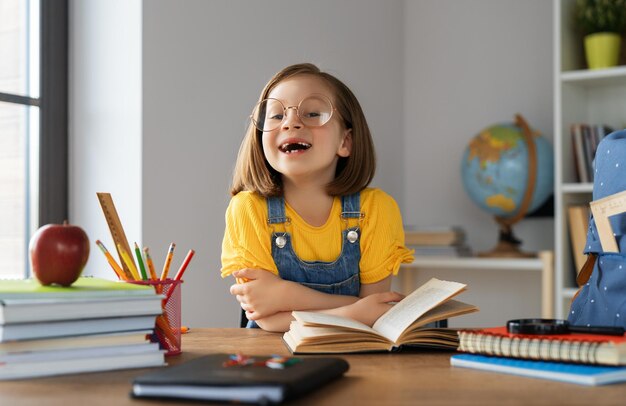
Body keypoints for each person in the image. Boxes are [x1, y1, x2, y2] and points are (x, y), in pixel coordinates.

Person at [221, 63, 414, 332]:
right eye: (276, 116)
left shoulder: (377, 209)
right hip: (270, 359)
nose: (291, 122)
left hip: (354, 354)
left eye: (313, 113)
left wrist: (284, 295)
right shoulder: (248, 209)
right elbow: (266, 319)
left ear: (345, 142)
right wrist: (352, 311)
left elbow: (375, 310)